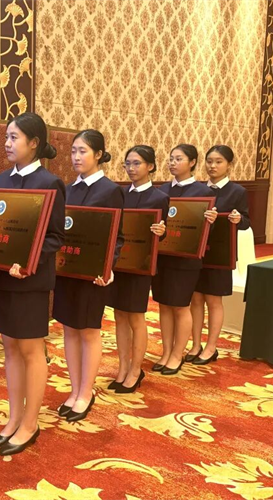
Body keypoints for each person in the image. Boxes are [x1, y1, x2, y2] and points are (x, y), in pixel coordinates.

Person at [0, 112, 65, 455]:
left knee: (31, 350)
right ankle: (14, 417)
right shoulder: (2, 179)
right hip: (2, 276)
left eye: (14, 137)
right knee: (9, 347)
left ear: (34, 143)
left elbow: (55, 237)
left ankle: (30, 422)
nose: (7, 143)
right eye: (6, 137)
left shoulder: (50, 182)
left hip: (29, 280)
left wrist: (29, 262)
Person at [52, 130, 124, 421]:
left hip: (93, 274)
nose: (76, 157)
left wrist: (107, 267)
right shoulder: (68, 188)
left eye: (82, 151)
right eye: (73, 151)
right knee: (69, 329)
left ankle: (86, 391)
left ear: (98, 154)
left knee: (89, 331)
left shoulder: (110, 190)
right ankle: (74, 389)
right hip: (67, 270)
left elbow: (117, 236)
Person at [151, 144, 217, 375]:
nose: (172, 163)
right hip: (162, 256)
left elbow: (205, 231)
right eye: (171, 159)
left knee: (180, 306)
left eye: (178, 159)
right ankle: (166, 351)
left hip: (186, 260)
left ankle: (177, 354)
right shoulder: (161, 190)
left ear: (192, 162)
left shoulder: (203, 192)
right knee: (164, 306)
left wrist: (211, 220)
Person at [108, 145, 168, 393]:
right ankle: (123, 367)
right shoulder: (120, 193)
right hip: (119, 263)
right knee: (119, 315)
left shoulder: (159, 197)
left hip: (140, 265)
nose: (131, 168)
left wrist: (161, 232)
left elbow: (162, 234)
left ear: (150, 166)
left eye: (137, 163)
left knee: (135, 316)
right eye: (128, 164)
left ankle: (136, 369)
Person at [188, 145, 250, 364]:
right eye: (209, 161)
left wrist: (238, 219)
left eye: (218, 162)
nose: (212, 166)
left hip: (221, 253)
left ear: (229, 165)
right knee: (195, 299)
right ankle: (196, 344)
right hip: (197, 251)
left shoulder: (237, 191)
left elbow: (246, 222)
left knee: (214, 300)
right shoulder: (197, 189)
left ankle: (211, 347)